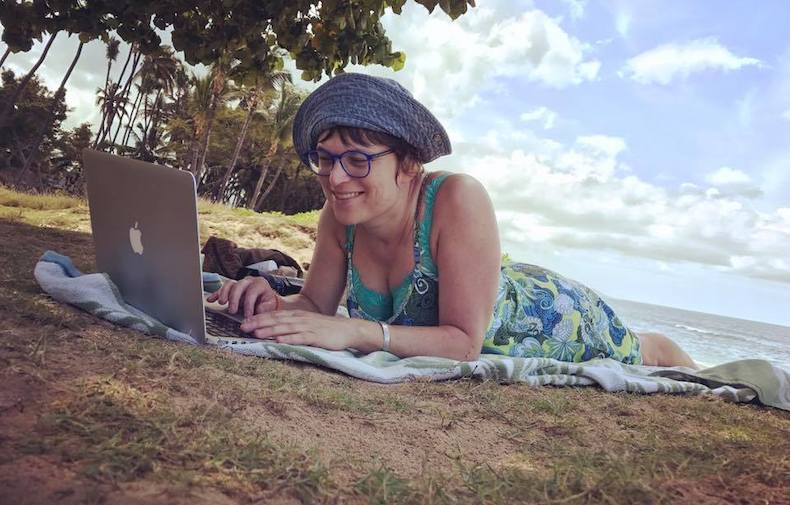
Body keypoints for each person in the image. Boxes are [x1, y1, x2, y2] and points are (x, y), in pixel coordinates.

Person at [208, 73, 696, 368]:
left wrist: (355, 331)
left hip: (553, 319)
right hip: (497, 293)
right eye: (326, 157)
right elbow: (316, 302)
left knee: (641, 352)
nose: (336, 178)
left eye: (358, 159)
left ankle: (672, 351)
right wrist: (272, 301)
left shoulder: (456, 198)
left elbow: (465, 343)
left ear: (407, 164)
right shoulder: (339, 221)